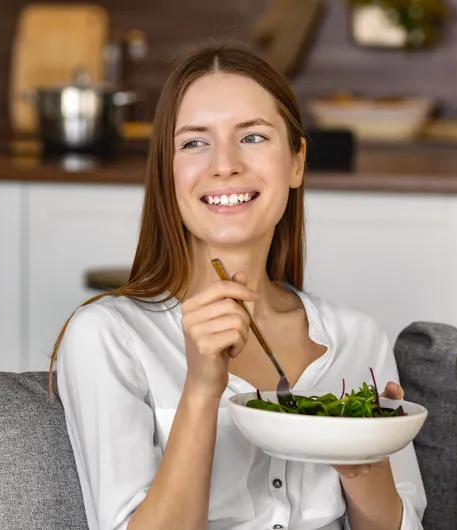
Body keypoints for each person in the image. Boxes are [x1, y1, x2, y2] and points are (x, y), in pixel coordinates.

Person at [50, 44, 426, 530]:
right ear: (168, 174)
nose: (224, 164)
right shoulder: (108, 336)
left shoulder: (359, 339)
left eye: (252, 136)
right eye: (193, 142)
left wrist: (365, 455)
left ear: (296, 162)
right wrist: (203, 390)